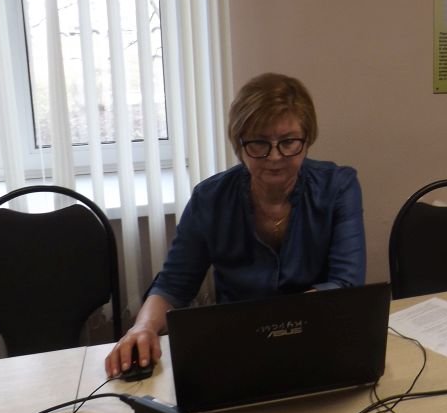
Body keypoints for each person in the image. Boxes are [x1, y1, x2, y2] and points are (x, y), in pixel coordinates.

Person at [105, 72, 366, 377]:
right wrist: (143, 327)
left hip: (319, 339)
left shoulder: (339, 187)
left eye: (288, 142)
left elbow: (346, 283)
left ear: (307, 140)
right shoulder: (209, 199)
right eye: (259, 143)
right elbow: (173, 285)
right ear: (239, 144)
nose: (274, 156)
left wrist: (287, 324)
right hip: (238, 348)